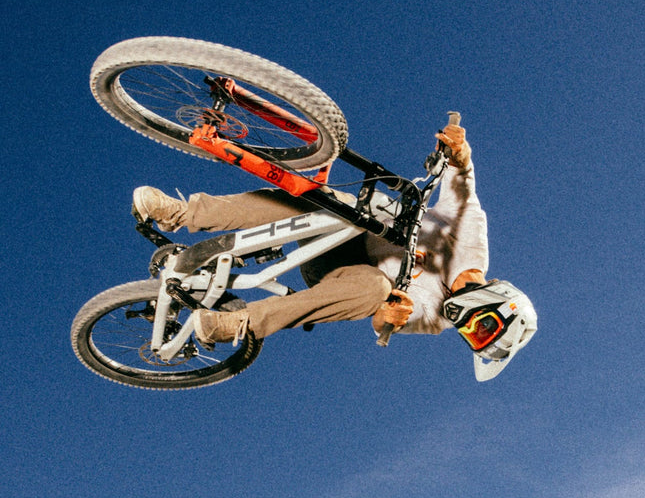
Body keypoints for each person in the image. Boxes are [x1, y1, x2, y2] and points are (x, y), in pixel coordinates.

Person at [131, 122, 537, 380]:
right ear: (499, 301)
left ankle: (238, 324)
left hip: (339, 270)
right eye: (481, 327)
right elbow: (462, 191)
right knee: (319, 197)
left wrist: (385, 320)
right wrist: (459, 154)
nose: (467, 328)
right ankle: (181, 213)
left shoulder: (433, 319)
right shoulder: (470, 243)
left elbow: (381, 323)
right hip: (353, 223)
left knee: (377, 288)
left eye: (472, 337)